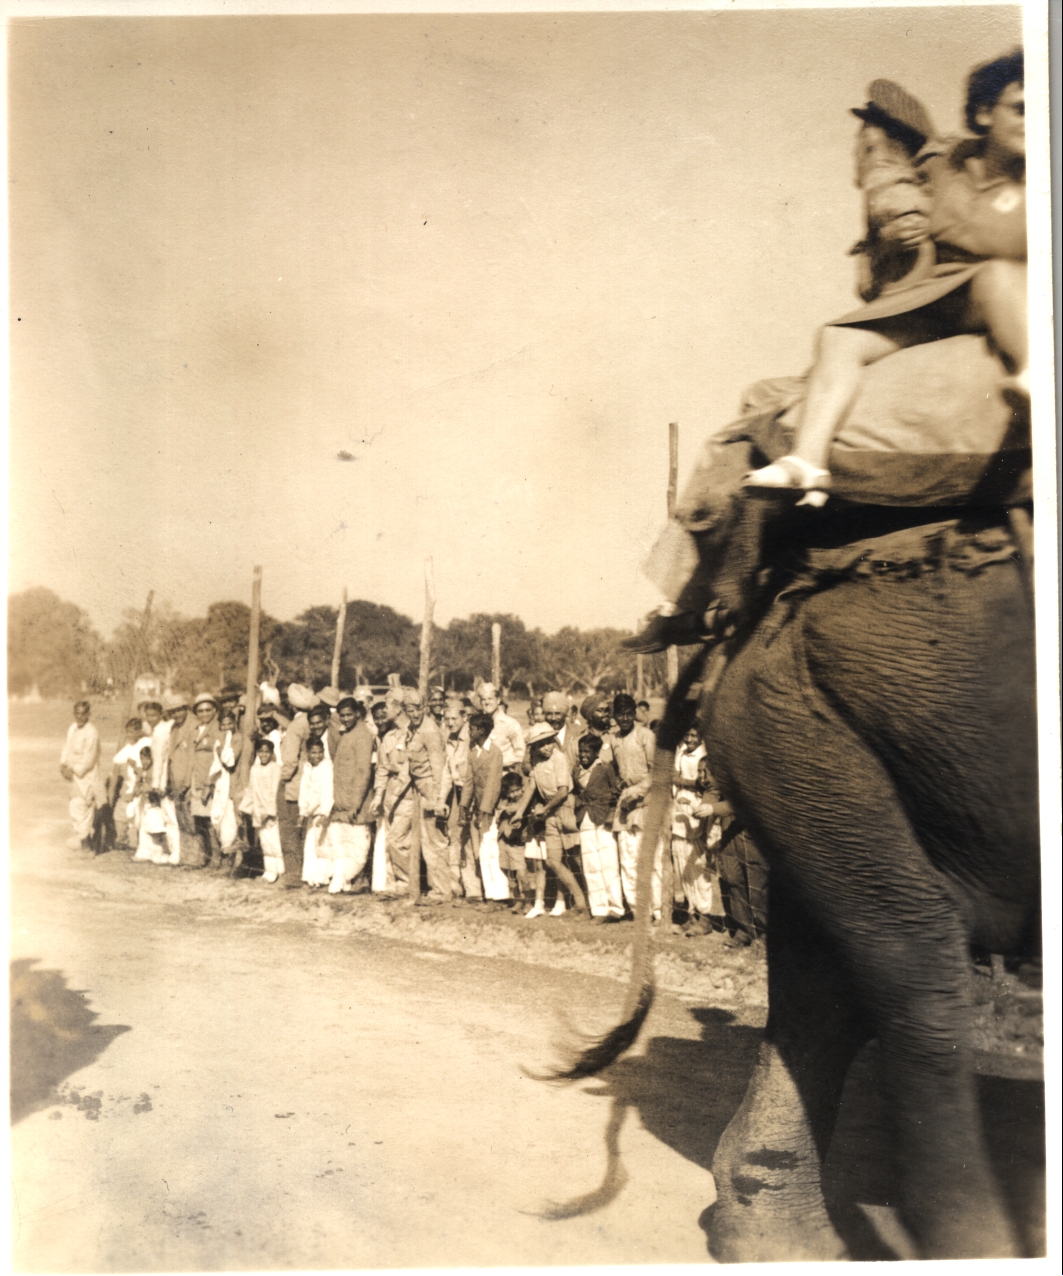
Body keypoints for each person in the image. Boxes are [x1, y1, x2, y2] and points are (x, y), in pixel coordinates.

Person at [744, 51, 1027, 499]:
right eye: (1022, 109)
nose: (1036, 122)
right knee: (837, 337)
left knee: (996, 274)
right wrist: (894, 227)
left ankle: (1034, 374)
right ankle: (807, 462)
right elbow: (898, 194)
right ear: (984, 113)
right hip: (937, 298)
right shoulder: (944, 163)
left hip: (1003, 294)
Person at [371, 693, 443, 897]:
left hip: (408, 794)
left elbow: (412, 768)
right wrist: (378, 795)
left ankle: (405, 884)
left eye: (388, 706)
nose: (385, 710)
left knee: (398, 840)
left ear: (399, 708)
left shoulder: (414, 734)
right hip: (391, 794)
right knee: (393, 841)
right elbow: (382, 768)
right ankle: (396, 882)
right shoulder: (389, 737)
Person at [513, 723, 587, 919]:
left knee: (577, 858)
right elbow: (531, 786)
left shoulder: (559, 758)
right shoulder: (536, 760)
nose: (546, 747)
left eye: (549, 742)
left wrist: (544, 809)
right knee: (553, 861)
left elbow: (563, 791)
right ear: (535, 747)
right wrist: (519, 812)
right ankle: (580, 902)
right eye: (541, 744)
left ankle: (588, 904)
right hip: (550, 813)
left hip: (565, 809)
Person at [696, 762, 767, 947]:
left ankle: (764, 932)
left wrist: (714, 809)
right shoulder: (718, 758)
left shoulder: (753, 761)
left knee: (757, 884)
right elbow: (713, 788)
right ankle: (744, 931)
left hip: (753, 832)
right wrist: (704, 806)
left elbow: (748, 799)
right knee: (732, 879)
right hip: (729, 831)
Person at [610, 693, 658, 918]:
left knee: (649, 857)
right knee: (628, 858)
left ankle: (658, 910)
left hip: (646, 798)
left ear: (634, 713)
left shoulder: (646, 735)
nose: (625, 719)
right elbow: (618, 769)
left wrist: (637, 795)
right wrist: (620, 786)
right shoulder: (614, 738)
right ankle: (639, 910)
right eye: (620, 714)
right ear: (615, 715)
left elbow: (656, 771)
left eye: (629, 714)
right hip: (625, 799)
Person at [404, 688, 452, 905]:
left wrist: (438, 799)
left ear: (424, 708)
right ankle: (424, 890)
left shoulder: (429, 731)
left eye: (417, 709)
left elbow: (438, 767)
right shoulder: (414, 729)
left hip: (431, 791)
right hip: (419, 790)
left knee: (434, 843)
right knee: (423, 843)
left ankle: (441, 891)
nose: (414, 714)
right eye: (410, 710)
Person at [572, 733, 625, 923]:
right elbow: (576, 792)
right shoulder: (576, 770)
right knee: (591, 865)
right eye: (581, 751)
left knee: (609, 863)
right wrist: (578, 803)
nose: (583, 755)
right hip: (585, 818)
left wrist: (612, 814)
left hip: (604, 819)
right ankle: (599, 909)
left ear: (596, 752)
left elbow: (616, 792)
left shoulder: (605, 768)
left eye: (587, 751)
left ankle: (615, 908)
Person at [326, 697, 376, 893]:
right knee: (340, 843)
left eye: (349, 715)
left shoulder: (363, 735)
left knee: (357, 845)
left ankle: (350, 879)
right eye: (342, 716)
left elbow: (364, 771)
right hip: (342, 798)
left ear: (357, 714)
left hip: (356, 801)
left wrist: (356, 803)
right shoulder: (346, 733)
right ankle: (345, 881)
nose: (346, 719)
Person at [460, 712, 507, 908]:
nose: (469, 732)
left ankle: (500, 896)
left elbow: (493, 785)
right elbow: (469, 782)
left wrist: (484, 811)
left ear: (481, 730)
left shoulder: (494, 752)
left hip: (491, 810)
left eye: (471, 729)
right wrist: (464, 805)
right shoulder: (473, 753)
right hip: (479, 809)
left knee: (492, 851)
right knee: (483, 852)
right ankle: (490, 895)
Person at [672, 736, 717, 935]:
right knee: (683, 867)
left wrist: (687, 788)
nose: (689, 738)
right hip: (679, 812)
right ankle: (691, 915)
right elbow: (672, 777)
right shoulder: (681, 752)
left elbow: (704, 784)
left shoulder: (705, 755)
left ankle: (705, 918)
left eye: (694, 735)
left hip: (697, 810)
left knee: (698, 869)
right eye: (687, 734)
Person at [278, 683, 317, 886]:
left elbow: (290, 761)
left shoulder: (295, 726)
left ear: (292, 706)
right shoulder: (311, 722)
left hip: (294, 783)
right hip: (310, 779)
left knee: (289, 830)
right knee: (305, 831)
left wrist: (282, 779)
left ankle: (293, 873)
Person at [241, 738, 284, 883]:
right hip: (258, 811)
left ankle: (280, 871)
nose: (264, 754)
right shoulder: (254, 769)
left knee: (275, 842)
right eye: (261, 751)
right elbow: (251, 789)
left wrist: (270, 811)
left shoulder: (275, 768)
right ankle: (269, 871)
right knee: (265, 843)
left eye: (267, 752)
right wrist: (245, 807)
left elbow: (274, 790)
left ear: (271, 753)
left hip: (271, 811)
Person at [59, 700, 100, 851]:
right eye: (77, 713)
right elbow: (66, 748)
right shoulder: (73, 728)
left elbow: (89, 759)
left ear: (89, 714)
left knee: (82, 808)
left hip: (86, 777)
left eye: (83, 713)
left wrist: (73, 770)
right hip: (72, 776)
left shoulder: (91, 732)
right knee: (74, 808)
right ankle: (82, 840)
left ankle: (87, 846)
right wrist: (63, 765)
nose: (80, 717)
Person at [190, 692, 224, 869]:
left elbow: (218, 760)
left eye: (208, 710)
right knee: (199, 821)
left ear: (215, 710)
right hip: (195, 780)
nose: (204, 714)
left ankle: (217, 857)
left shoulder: (218, 729)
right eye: (200, 711)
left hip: (210, 781)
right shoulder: (195, 730)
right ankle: (203, 856)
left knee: (212, 821)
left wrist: (209, 783)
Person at [108, 717, 150, 850]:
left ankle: (135, 843)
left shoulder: (146, 742)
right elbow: (117, 762)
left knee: (135, 818)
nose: (129, 735)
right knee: (119, 815)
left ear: (139, 731)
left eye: (132, 732)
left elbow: (146, 766)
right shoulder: (129, 746)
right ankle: (122, 839)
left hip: (141, 785)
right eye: (127, 732)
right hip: (129, 786)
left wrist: (136, 769)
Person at [299, 736, 335, 887]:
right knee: (310, 843)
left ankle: (323, 876)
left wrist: (325, 812)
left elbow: (327, 790)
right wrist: (302, 811)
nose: (317, 756)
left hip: (321, 811)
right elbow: (304, 789)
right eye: (313, 752)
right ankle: (310, 875)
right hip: (310, 812)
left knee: (322, 844)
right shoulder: (307, 767)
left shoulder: (326, 766)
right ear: (308, 752)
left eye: (320, 752)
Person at [166, 692, 198, 861]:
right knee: (181, 817)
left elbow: (192, 756)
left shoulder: (193, 726)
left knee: (192, 819)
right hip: (176, 779)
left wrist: (186, 783)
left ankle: (197, 856)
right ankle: (186, 856)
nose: (176, 714)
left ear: (186, 709)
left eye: (179, 710)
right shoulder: (174, 728)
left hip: (188, 779)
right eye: (173, 711)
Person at [476, 682, 525, 772]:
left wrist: (500, 763)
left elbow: (520, 753)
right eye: (483, 699)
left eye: (490, 698)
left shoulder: (510, 723)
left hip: (503, 772)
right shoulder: (477, 723)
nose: (487, 702)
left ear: (498, 700)